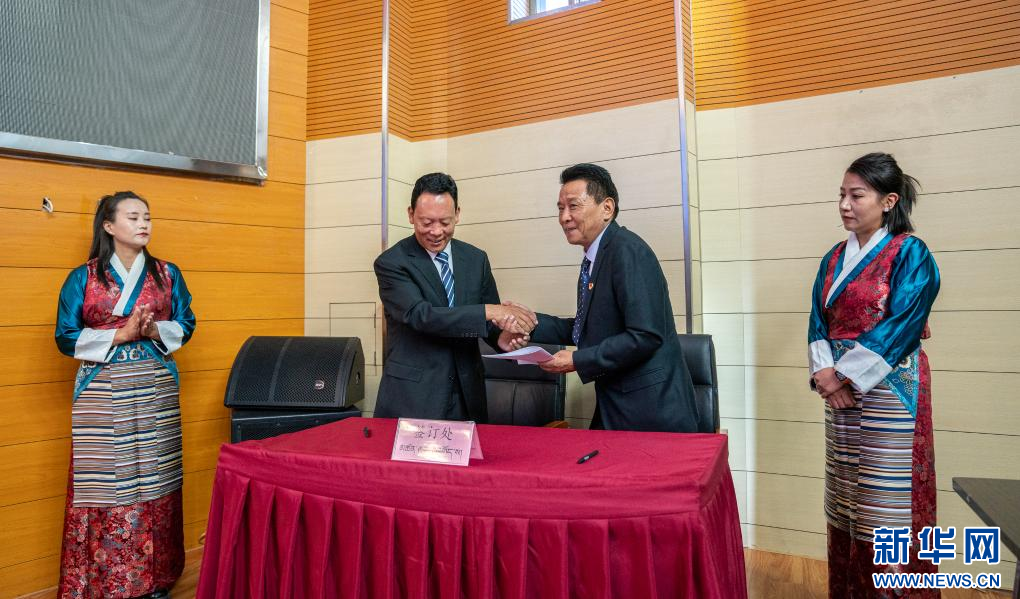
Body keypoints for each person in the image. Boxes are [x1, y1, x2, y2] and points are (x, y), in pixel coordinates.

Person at [807, 153, 940, 598]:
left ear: (888, 201)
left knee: (885, 506)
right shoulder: (833, 258)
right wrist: (824, 374)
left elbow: (904, 323)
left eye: (856, 195)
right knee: (846, 499)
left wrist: (842, 376)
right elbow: (817, 321)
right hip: (840, 391)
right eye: (841, 195)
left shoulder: (911, 252)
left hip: (889, 387)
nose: (845, 205)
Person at [55, 191, 196, 599]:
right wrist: (121, 334)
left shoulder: (167, 274)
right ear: (109, 225)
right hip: (102, 387)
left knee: (158, 477)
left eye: (147, 216)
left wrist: (153, 330)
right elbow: (65, 336)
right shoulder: (84, 277)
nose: (143, 223)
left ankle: (158, 579)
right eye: (133, 217)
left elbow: (186, 322)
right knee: (104, 482)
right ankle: (105, 582)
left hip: (155, 386)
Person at [517, 163, 699, 432]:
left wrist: (577, 360)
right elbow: (587, 326)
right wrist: (527, 322)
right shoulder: (598, 256)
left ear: (607, 208)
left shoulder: (628, 251)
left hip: (651, 414)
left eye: (573, 206)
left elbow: (645, 335)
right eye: (560, 208)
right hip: (618, 405)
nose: (564, 217)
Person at [374, 172, 536, 422]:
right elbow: (421, 316)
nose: (436, 231)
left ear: (457, 214)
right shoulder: (392, 262)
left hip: (466, 393)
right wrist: (491, 311)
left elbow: (487, 323)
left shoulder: (476, 259)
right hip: (414, 395)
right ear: (410, 214)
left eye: (445, 222)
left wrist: (501, 338)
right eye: (426, 222)